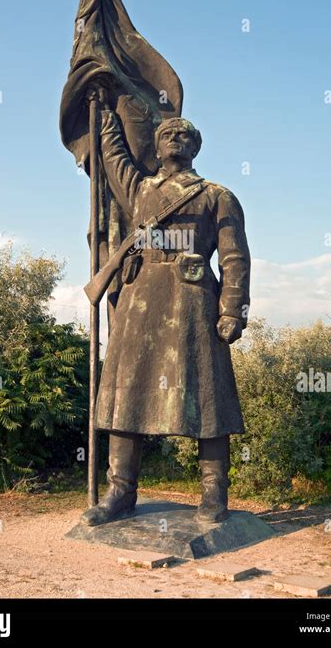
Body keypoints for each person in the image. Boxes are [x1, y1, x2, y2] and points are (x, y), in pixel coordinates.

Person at [83, 92, 251, 526]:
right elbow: (114, 156)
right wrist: (103, 114)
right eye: (168, 133)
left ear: (195, 148)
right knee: (126, 396)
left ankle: (214, 494)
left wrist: (232, 309)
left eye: (184, 135)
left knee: (208, 401)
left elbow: (234, 258)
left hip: (194, 303)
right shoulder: (139, 190)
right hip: (141, 301)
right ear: (157, 147)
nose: (176, 137)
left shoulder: (218, 196)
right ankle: (120, 491)